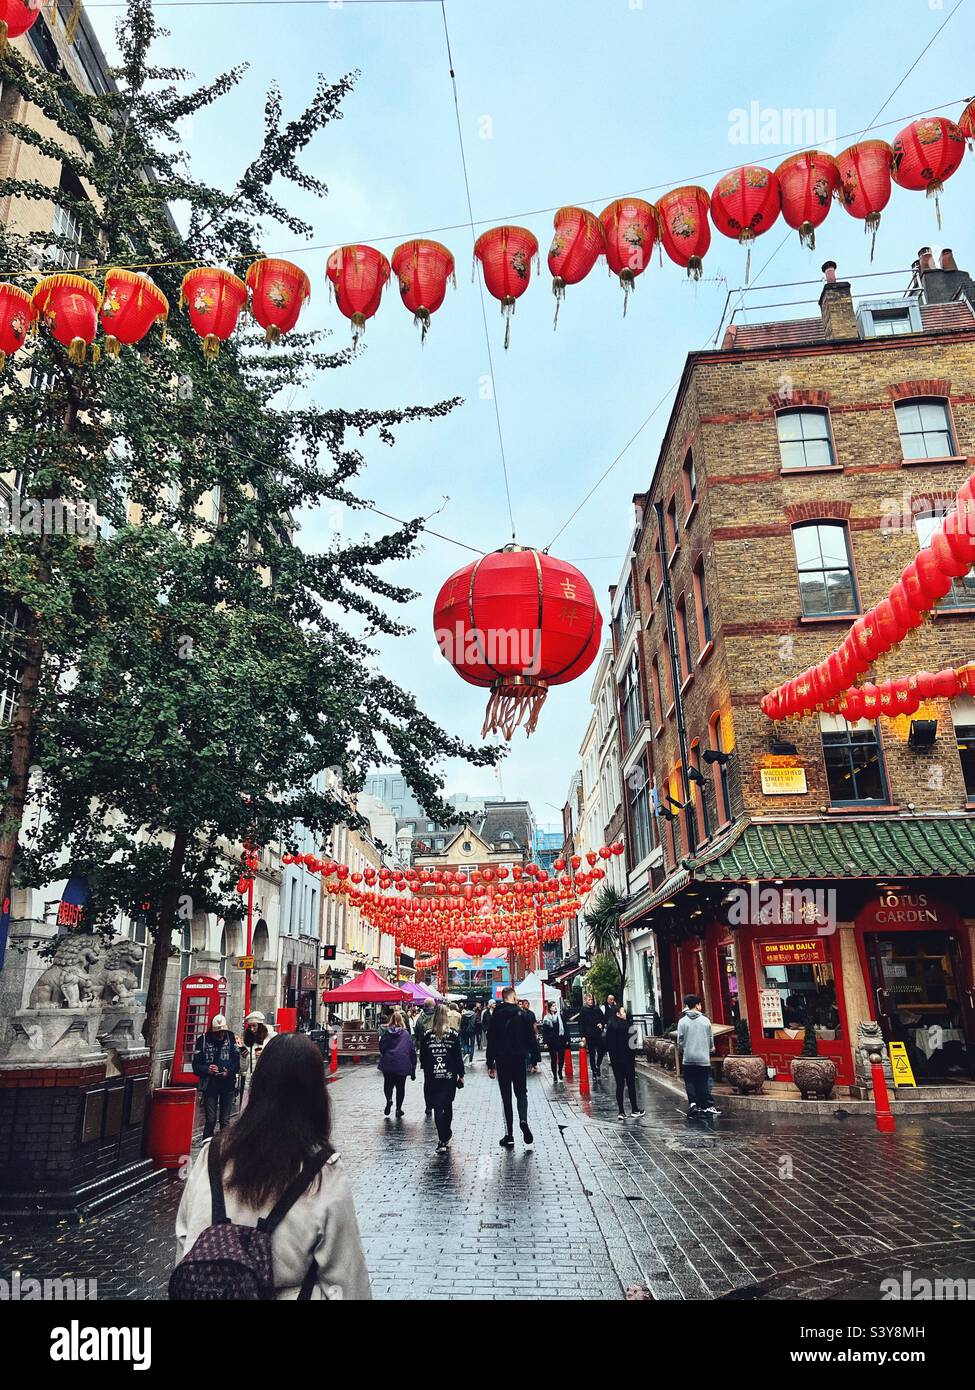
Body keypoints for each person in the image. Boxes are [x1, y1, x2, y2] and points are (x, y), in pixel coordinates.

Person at [175, 1033, 371, 1300]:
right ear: (316, 1095)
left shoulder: (213, 1154)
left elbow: (185, 1239)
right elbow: (345, 1275)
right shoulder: (323, 1171)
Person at [486, 986, 536, 1149]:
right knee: (521, 1093)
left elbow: (491, 1039)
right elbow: (531, 1038)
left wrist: (490, 1063)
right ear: (513, 997)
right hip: (519, 1059)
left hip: (502, 1060)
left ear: (503, 997)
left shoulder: (497, 1015)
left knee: (506, 1097)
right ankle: (523, 1120)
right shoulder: (523, 1014)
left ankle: (509, 1135)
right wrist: (535, 1059)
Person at [418, 1003, 465, 1153]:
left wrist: (426, 1070)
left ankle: (441, 1138)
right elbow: (458, 1056)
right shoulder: (453, 1034)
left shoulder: (427, 1035)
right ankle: (447, 1132)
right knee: (448, 1104)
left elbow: (423, 1057)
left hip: (432, 1075)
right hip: (449, 1075)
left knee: (437, 1106)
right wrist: (461, 1074)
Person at [192, 1013, 240, 1139]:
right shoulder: (202, 1040)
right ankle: (206, 1146)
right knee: (211, 1120)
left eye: (222, 1031)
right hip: (210, 1085)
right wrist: (207, 1069)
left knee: (225, 1121)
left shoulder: (231, 1038)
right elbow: (195, 1066)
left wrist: (228, 1072)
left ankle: (224, 1147)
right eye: (217, 1033)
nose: (220, 1035)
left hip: (227, 1084)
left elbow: (237, 1061)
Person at [676, 994, 718, 1116]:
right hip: (703, 1057)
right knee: (703, 1081)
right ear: (697, 1005)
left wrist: (684, 1049)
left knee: (690, 1081)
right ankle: (705, 1104)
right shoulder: (705, 1021)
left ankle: (693, 1103)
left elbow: (680, 1040)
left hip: (688, 1057)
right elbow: (710, 1038)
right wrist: (711, 1048)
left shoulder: (682, 1021)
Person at [605, 1007, 645, 1120]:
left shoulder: (610, 1027)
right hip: (627, 1059)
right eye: (623, 1012)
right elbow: (633, 1045)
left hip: (615, 1060)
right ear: (618, 1014)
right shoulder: (629, 1025)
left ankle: (621, 1111)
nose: (625, 1013)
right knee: (631, 1084)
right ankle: (634, 1109)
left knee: (619, 1084)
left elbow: (607, 1044)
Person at [379, 1008, 416, 1117]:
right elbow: (411, 1050)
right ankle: (398, 1109)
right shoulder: (405, 1034)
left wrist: (386, 1054)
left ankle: (389, 1099)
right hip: (402, 1063)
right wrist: (413, 1065)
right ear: (402, 1021)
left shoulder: (386, 1033)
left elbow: (382, 1047)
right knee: (400, 1087)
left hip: (388, 1062)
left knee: (388, 1084)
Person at [240, 1010, 276, 1096]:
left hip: (266, 1081)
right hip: (250, 1084)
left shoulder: (271, 1039)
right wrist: (243, 1057)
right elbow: (243, 1068)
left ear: (260, 1026)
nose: (252, 1029)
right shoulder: (248, 1042)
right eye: (250, 1026)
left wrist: (265, 1056)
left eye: (254, 1026)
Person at [540, 1001, 568, 1083]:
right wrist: (545, 1042)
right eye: (553, 1006)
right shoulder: (546, 1018)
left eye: (555, 1006)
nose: (555, 1007)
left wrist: (566, 1039)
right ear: (549, 1008)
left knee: (562, 1057)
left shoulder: (560, 1016)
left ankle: (560, 1071)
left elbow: (565, 1027)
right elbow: (545, 1031)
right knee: (553, 1058)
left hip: (560, 1039)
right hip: (551, 1041)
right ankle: (555, 1075)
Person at [578, 993, 602, 1079]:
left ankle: (598, 1065)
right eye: (589, 1000)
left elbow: (602, 1018)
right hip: (589, 1035)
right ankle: (594, 1070)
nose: (591, 1001)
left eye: (591, 999)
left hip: (598, 1033)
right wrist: (583, 1036)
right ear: (585, 1001)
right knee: (592, 1053)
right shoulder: (583, 1011)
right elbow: (581, 1024)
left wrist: (600, 1023)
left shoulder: (596, 1009)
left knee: (600, 1051)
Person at [518, 997, 541, 1073]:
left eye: (528, 1003)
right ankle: (528, 1065)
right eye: (525, 1003)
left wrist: (536, 1033)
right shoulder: (520, 1013)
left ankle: (534, 1064)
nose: (527, 1005)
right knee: (525, 1051)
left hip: (531, 1034)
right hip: (523, 1035)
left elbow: (534, 1024)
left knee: (534, 1050)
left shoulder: (531, 1013)